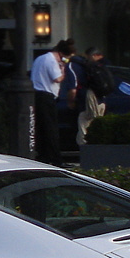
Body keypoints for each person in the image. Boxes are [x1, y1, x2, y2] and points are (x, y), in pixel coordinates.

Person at [31, 38, 75, 166]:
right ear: (61, 54)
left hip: (38, 95)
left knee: (42, 127)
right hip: (46, 95)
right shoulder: (51, 60)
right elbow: (57, 78)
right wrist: (63, 69)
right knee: (51, 129)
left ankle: (43, 156)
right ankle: (56, 159)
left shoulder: (40, 58)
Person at [71, 47, 112, 146]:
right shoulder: (105, 66)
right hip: (101, 99)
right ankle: (98, 147)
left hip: (91, 99)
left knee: (84, 121)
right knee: (96, 122)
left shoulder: (86, 67)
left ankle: (86, 148)